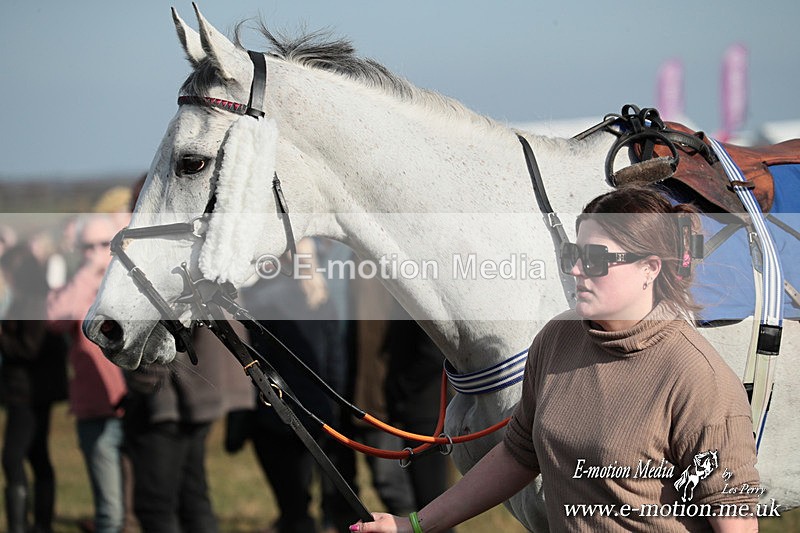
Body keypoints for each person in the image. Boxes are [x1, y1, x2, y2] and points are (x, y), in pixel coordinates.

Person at [352, 186, 760, 532]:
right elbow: (518, 453)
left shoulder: (697, 378)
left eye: (597, 259)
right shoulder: (556, 340)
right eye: (573, 256)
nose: (578, 270)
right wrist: (415, 524)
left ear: (650, 268)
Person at [123, 325, 254, 533]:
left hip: (166, 403)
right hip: (199, 398)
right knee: (192, 497)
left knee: (156, 505)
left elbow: (156, 338)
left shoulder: (171, 291)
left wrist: (140, 381)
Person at [47, 213, 130, 533]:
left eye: (104, 244)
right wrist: (85, 274)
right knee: (110, 511)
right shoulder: (76, 288)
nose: (96, 251)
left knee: (147, 503)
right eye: (88, 246)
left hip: (135, 407)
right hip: (96, 410)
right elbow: (55, 319)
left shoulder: (125, 284)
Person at [1, 245, 69, 533]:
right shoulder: (34, 299)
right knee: (36, 455)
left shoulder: (33, 301)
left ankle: (24, 525)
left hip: (28, 392)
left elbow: (29, 348)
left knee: (13, 457)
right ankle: (40, 524)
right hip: (32, 391)